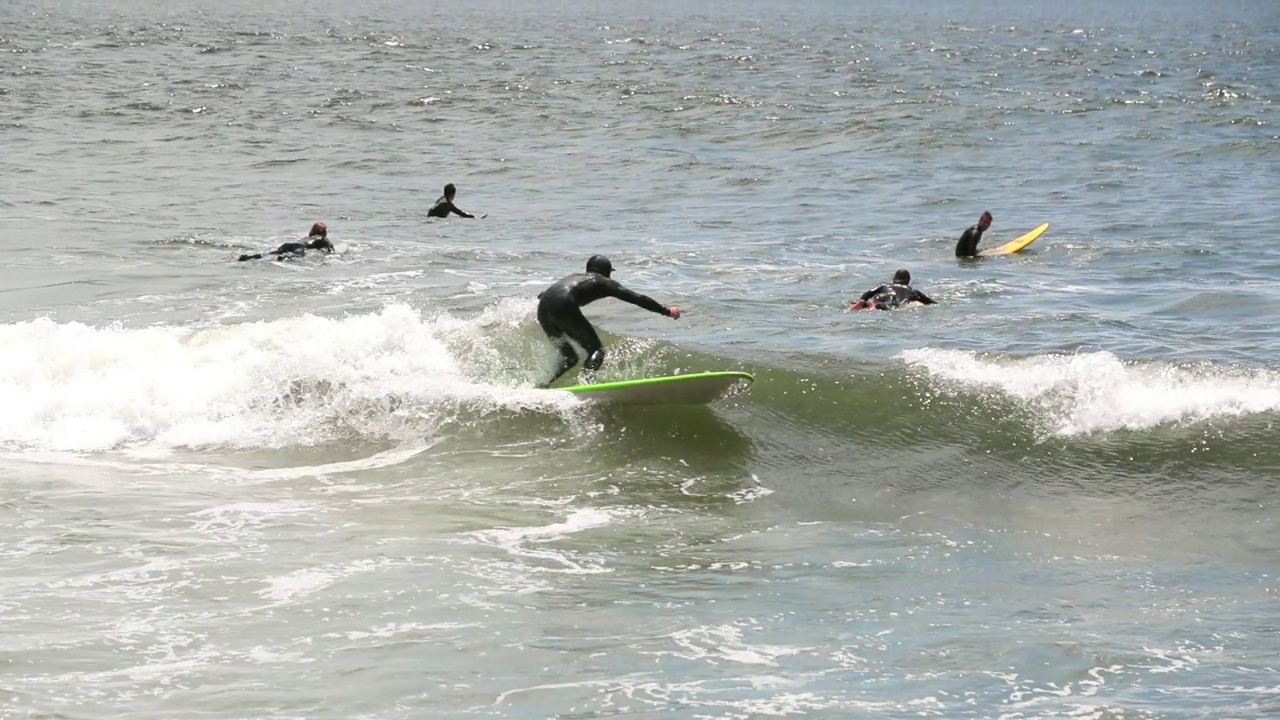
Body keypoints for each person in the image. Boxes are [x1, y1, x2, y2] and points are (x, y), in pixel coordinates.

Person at [536, 255, 681, 387]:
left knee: (570, 358)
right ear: (606, 271)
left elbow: (545, 294)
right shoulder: (603, 282)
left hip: (543, 308)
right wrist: (666, 311)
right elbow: (638, 298)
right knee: (596, 350)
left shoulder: (575, 276)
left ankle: (544, 385)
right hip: (563, 304)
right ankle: (586, 386)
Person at [238, 222, 334, 261]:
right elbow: (332, 252)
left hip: (289, 245)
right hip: (299, 248)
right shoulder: (323, 239)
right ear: (324, 232)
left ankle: (250, 257)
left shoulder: (306, 238)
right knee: (292, 256)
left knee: (271, 254)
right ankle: (283, 257)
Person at [850, 269, 937, 311]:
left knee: (873, 302)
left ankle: (865, 304)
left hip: (881, 298)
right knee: (894, 306)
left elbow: (867, 294)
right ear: (908, 281)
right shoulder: (913, 291)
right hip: (897, 305)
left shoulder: (884, 285)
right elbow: (931, 303)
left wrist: (862, 299)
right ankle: (873, 306)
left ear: (894, 279)